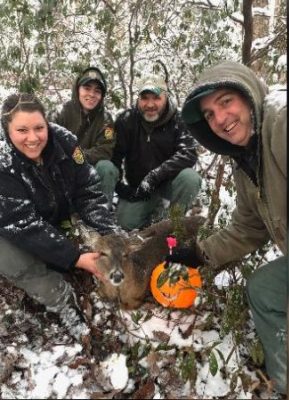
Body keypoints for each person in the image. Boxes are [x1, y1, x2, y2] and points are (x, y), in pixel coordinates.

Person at [167, 61, 287, 395]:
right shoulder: (247, 160)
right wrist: (199, 253)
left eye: (225, 102)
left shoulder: (282, 122)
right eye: (208, 114)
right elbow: (249, 228)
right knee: (264, 289)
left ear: (248, 96)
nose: (220, 119)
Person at [0, 93, 117, 340]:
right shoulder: (3, 161)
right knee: (6, 254)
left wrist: (108, 234)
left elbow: (88, 190)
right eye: (22, 130)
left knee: (107, 239)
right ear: (6, 129)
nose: (33, 138)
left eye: (39, 128)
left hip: (62, 216)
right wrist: (74, 257)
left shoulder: (65, 141)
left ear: (47, 124)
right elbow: (26, 226)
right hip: (17, 228)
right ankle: (61, 299)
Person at [108, 74, 201, 230]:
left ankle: (171, 223)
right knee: (125, 223)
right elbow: (115, 156)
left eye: (156, 98)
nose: (150, 104)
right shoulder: (126, 120)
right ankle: (154, 214)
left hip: (168, 184)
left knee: (190, 178)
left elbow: (188, 153)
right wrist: (122, 188)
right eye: (145, 98)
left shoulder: (179, 119)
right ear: (138, 99)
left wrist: (155, 176)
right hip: (139, 188)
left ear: (165, 97)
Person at [51, 67, 118, 203]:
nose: (92, 94)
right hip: (63, 167)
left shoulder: (107, 119)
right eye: (87, 88)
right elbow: (50, 144)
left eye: (97, 91)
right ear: (78, 90)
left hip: (89, 167)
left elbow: (105, 149)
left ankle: (101, 212)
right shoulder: (60, 113)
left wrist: (79, 157)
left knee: (107, 167)